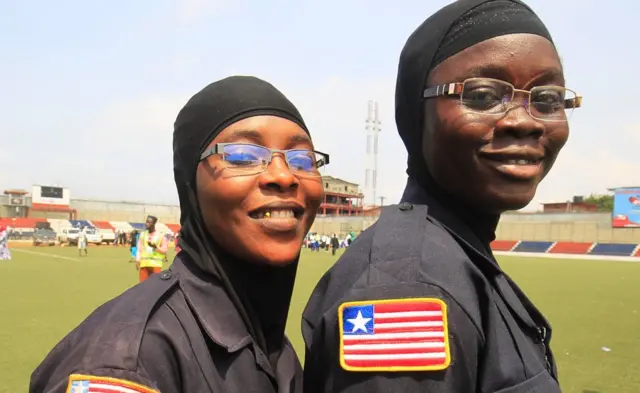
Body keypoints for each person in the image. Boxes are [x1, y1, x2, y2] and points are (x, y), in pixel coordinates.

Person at [302, 1, 581, 392]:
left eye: (548, 99)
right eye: (483, 96)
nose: (524, 121)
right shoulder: (407, 286)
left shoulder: (457, 253)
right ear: (417, 115)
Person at [30, 76, 328, 393]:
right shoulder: (129, 363)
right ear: (189, 184)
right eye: (242, 155)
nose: (283, 175)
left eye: (302, 159)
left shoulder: (270, 341)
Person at [135, 216, 168, 282]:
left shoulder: (161, 236)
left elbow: (164, 251)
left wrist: (155, 247)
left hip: (156, 264)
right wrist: (137, 259)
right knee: (142, 286)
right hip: (144, 264)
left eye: (149, 222)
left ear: (154, 224)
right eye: (146, 222)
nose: (147, 224)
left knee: (155, 286)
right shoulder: (142, 235)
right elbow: (139, 249)